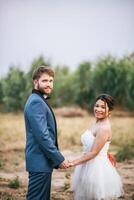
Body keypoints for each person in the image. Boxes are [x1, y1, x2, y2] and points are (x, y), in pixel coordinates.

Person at [24, 66, 69, 200]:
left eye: (51, 80)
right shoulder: (36, 102)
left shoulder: (38, 100)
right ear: (35, 82)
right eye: (44, 81)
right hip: (39, 162)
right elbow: (43, 137)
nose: (49, 84)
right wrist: (59, 159)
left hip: (42, 163)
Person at [71, 94, 124, 200]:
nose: (98, 109)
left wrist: (73, 162)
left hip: (97, 169)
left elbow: (94, 152)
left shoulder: (104, 128)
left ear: (110, 110)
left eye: (103, 107)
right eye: (97, 106)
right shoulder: (98, 123)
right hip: (86, 165)